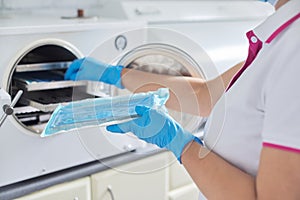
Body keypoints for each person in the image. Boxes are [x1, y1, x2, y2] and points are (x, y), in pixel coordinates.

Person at [65, 0, 300, 198]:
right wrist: (115, 75)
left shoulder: (294, 49)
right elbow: (204, 95)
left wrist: (180, 144)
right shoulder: (281, 40)